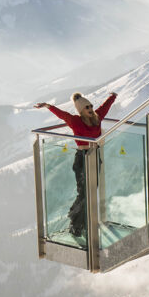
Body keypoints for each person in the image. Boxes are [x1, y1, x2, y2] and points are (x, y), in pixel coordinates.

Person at [35, 91, 118, 238]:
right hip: (82, 158)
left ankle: (81, 222)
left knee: (91, 190)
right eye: (87, 107)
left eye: (91, 105)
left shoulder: (97, 118)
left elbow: (105, 107)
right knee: (84, 192)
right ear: (81, 110)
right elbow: (62, 114)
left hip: (95, 155)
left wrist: (113, 96)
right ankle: (75, 223)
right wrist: (48, 106)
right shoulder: (75, 121)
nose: (91, 108)